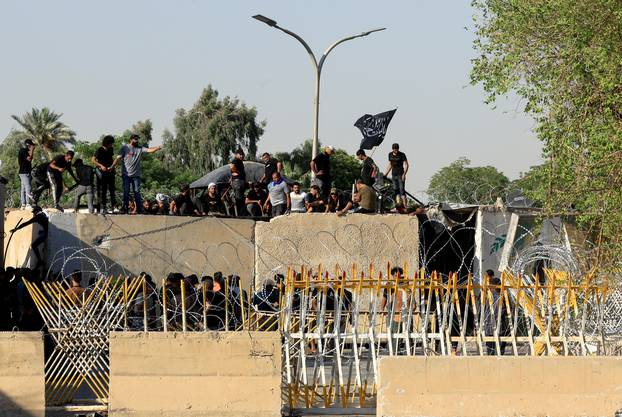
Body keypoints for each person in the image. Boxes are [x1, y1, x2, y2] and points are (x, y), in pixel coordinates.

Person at [118, 133, 162, 214]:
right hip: (126, 175)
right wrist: (113, 166)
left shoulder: (140, 148)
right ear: (131, 140)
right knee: (126, 192)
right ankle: (125, 208)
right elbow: (118, 157)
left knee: (137, 192)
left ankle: (139, 208)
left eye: (137, 139)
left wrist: (157, 148)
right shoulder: (125, 148)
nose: (137, 141)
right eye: (135, 139)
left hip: (136, 175)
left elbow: (149, 150)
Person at [91, 135, 118, 214]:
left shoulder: (111, 149)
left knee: (112, 189)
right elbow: (93, 160)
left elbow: (111, 159)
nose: (111, 145)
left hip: (111, 172)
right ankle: (103, 207)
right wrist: (101, 166)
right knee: (103, 190)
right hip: (102, 173)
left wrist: (112, 166)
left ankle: (114, 207)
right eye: (111, 143)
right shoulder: (99, 150)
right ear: (107, 143)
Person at [18, 139, 36, 209]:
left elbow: (29, 159)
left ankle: (23, 204)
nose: (32, 146)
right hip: (24, 172)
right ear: (28, 145)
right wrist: (32, 150)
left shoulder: (25, 151)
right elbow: (29, 159)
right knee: (28, 187)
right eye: (31, 145)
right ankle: (28, 204)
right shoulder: (23, 150)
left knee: (23, 189)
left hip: (25, 172)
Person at [229, 148, 247, 216]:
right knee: (239, 199)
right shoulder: (236, 160)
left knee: (241, 198)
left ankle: (240, 213)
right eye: (240, 155)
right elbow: (231, 166)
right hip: (238, 181)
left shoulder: (239, 161)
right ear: (236, 155)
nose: (242, 156)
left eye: (243, 155)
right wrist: (235, 172)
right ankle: (239, 214)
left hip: (239, 181)